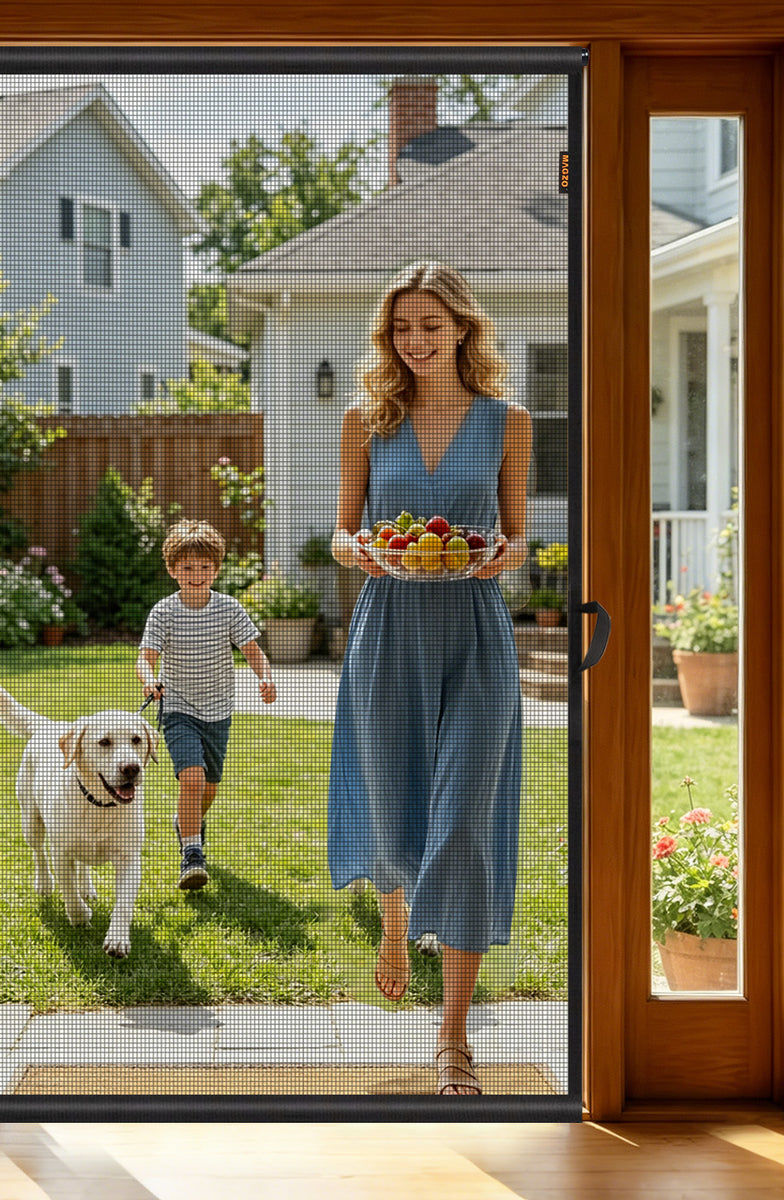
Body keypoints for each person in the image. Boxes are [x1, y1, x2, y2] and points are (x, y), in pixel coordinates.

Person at [327, 260, 532, 1096]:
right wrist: (363, 550)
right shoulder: (365, 421)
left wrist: (506, 556)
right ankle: (394, 920)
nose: (416, 340)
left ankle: (453, 1036)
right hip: (388, 628)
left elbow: (516, 537)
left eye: (431, 325)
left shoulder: (509, 422)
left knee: (466, 823)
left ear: (463, 328)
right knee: (391, 795)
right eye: (402, 328)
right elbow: (342, 534)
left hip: (476, 635)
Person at [137, 519, 277, 890]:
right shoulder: (164, 612)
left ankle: (186, 823)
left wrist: (265, 677)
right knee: (193, 779)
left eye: (204, 567)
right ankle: (192, 854)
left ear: (216, 569)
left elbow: (253, 651)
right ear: (172, 570)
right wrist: (149, 679)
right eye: (187, 568)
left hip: (218, 712)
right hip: (178, 709)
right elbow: (145, 658)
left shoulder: (228, 608)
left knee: (208, 788)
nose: (196, 575)